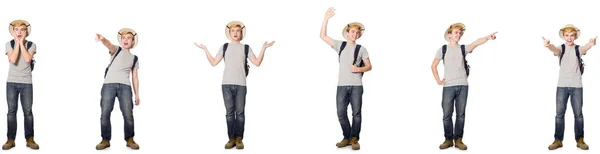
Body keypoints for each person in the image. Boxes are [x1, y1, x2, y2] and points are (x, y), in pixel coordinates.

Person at [194, 21, 275, 149]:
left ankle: (239, 139)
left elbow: (257, 62)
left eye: (238, 31)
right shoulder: (224, 47)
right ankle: (231, 138)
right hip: (226, 85)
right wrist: (205, 49)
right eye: (233, 31)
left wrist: (263, 48)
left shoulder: (246, 48)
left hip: (241, 85)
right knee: (229, 113)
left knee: (240, 113)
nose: (235, 33)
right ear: (229, 33)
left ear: (241, 33)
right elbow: (214, 62)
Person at [430, 22, 497, 150]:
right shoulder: (443, 49)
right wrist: (438, 80)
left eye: (460, 33)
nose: (458, 35)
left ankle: (459, 139)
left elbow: (476, 43)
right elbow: (433, 66)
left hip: (463, 85)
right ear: (449, 35)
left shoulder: (463, 49)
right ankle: (448, 139)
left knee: (461, 115)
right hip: (448, 86)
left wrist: (488, 38)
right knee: (447, 115)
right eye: (456, 32)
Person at [320, 7, 372, 150]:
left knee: (356, 113)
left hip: (356, 86)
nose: (355, 34)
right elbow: (323, 36)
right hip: (341, 85)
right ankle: (346, 137)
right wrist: (326, 19)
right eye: (353, 32)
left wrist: (359, 69)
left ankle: (354, 139)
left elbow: (369, 66)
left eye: (357, 32)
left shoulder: (362, 49)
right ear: (347, 33)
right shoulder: (340, 45)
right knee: (341, 113)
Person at [94, 28, 141, 150]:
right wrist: (103, 39)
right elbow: (108, 44)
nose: (126, 40)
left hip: (125, 87)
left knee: (128, 114)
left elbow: (135, 77)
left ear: (132, 41)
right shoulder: (116, 50)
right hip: (108, 85)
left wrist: (137, 95)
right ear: (121, 40)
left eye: (129, 38)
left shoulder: (134, 58)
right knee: (105, 113)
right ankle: (105, 140)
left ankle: (130, 139)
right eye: (123, 37)